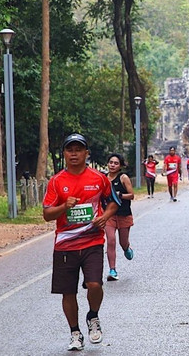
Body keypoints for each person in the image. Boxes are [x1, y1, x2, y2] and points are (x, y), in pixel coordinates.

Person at [42, 134, 121, 351]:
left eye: (79, 149)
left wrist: (104, 218)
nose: (74, 153)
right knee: (68, 292)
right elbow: (47, 214)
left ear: (87, 153)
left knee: (95, 284)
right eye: (70, 150)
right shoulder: (57, 181)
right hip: (65, 245)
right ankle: (75, 332)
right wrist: (63, 207)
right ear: (65, 154)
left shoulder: (98, 178)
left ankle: (93, 316)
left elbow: (114, 203)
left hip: (92, 241)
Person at [104, 153, 135, 282]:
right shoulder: (103, 178)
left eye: (116, 163)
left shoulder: (123, 178)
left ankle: (127, 247)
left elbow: (132, 195)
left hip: (123, 214)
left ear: (120, 166)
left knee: (122, 242)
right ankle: (112, 270)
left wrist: (120, 195)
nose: (113, 165)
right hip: (109, 215)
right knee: (110, 241)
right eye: (111, 162)